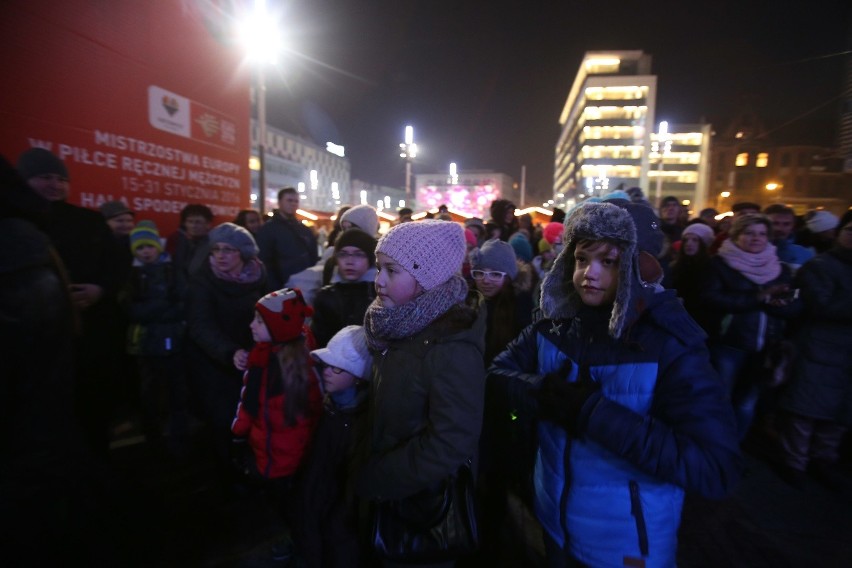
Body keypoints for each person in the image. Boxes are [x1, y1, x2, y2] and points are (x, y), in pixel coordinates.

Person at [488, 201, 741, 567]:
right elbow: (497, 376)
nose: (588, 274)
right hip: (552, 520)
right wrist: (540, 393)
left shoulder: (670, 345)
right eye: (580, 259)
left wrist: (594, 414)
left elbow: (714, 467)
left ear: (640, 265)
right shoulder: (554, 325)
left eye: (608, 261)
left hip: (625, 543)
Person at [355, 220, 487, 568]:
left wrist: (380, 475)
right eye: (379, 267)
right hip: (390, 493)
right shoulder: (398, 324)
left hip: (424, 507)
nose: (378, 280)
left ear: (426, 277)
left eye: (392, 270)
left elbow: (452, 440)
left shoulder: (450, 346)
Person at [15, 147, 125, 456]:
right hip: (36, 343)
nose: (54, 185)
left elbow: (117, 267)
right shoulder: (14, 225)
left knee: (92, 411)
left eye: (60, 178)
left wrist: (99, 290)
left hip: (91, 337)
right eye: (44, 177)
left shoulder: (89, 222)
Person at [232, 287, 322, 561]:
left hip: (293, 461)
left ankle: (302, 546)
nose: (251, 326)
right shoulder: (260, 357)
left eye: (259, 321)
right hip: (266, 455)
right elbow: (248, 402)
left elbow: (317, 411)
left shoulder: (303, 365)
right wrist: (239, 433)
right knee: (280, 505)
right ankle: (292, 538)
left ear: (278, 327)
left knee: (295, 508)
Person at [701, 213, 801, 441]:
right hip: (730, 344)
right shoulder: (720, 264)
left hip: (766, 347)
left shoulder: (779, 268)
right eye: (749, 233)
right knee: (720, 399)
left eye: (762, 234)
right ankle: (715, 448)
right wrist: (759, 297)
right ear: (736, 236)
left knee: (747, 403)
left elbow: (794, 306)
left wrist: (777, 304)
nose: (756, 238)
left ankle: (734, 449)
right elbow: (710, 299)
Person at [467, 239, 535, 565]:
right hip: (474, 402)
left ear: (509, 275)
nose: (486, 280)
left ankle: (493, 540)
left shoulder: (522, 307)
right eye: (480, 272)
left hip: (504, 404)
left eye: (495, 273)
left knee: (496, 474)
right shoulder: (470, 305)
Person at [776, 210, 852, 490]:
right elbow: (819, 304)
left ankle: (824, 458)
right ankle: (794, 460)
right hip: (820, 347)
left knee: (839, 413)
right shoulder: (821, 265)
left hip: (844, 353)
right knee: (806, 408)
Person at [185, 222, 267, 470]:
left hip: (252, 357)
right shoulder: (203, 282)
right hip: (215, 362)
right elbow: (200, 325)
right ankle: (226, 471)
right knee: (222, 419)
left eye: (228, 250)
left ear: (243, 253)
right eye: (216, 249)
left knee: (252, 414)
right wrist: (229, 352)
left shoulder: (259, 276)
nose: (220, 256)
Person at [293, 325, 373, 568]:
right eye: (326, 365)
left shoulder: (358, 422)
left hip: (338, 527)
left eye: (336, 367)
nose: (326, 372)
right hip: (315, 509)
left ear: (359, 376)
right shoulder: (332, 408)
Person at [123, 220, 188, 457]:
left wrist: (153, 309)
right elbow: (130, 309)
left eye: (149, 246)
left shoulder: (172, 270)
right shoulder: (131, 275)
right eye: (140, 248)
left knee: (175, 393)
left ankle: (178, 440)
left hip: (173, 341)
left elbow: (183, 302)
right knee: (150, 393)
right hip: (146, 344)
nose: (146, 252)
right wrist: (162, 307)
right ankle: (153, 439)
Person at [311, 228, 378, 348]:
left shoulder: (380, 296)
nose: (349, 261)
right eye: (343, 254)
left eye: (358, 254)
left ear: (370, 259)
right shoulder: (325, 297)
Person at [257, 187, 319, 291]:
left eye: (296, 201)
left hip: (305, 285)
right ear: (280, 202)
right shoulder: (268, 229)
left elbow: (313, 256)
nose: (293, 204)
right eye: (289, 200)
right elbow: (264, 261)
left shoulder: (304, 229)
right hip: (280, 287)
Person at [664, 221, 717, 335]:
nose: (689, 244)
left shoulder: (713, 268)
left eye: (695, 240)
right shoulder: (675, 266)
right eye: (686, 240)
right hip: (677, 322)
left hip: (701, 324)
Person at [166, 203, 214, 289]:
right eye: (190, 221)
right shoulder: (176, 241)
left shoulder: (214, 245)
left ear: (208, 224)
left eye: (198, 222)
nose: (193, 226)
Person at [764, 204, 813, 274]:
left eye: (786, 224)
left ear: (793, 225)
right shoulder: (751, 250)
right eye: (774, 223)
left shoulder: (805, 254)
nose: (780, 228)